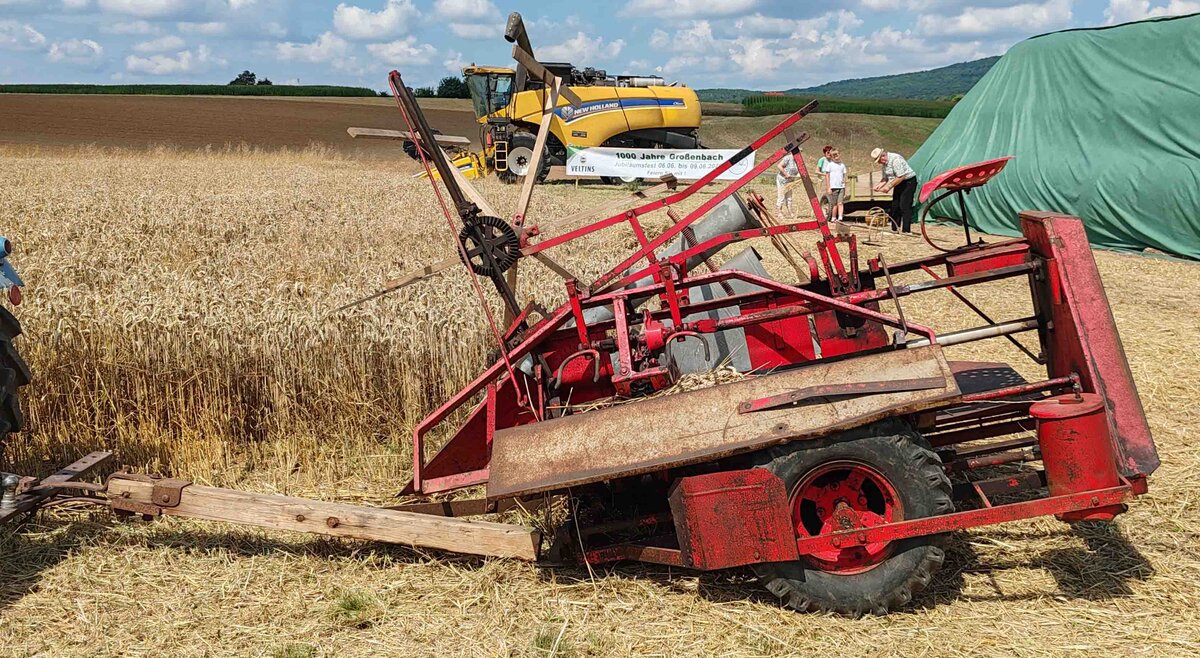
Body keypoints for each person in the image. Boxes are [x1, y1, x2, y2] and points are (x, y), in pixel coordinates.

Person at [871, 147, 918, 233]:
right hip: (898, 183)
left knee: (904, 205)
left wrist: (888, 187)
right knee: (895, 206)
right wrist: (879, 186)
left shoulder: (896, 159)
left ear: (883, 156)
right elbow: (885, 178)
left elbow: (901, 176)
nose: (879, 163)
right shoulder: (884, 165)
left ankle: (906, 230)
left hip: (908, 182)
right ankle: (895, 229)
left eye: (879, 160)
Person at [824, 148, 848, 223]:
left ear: (839, 155)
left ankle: (840, 217)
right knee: (834, 204)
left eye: (837, 154)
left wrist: (845, 187)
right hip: (833, 187)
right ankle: (833, 217)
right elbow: (827, 176)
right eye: (834, 155)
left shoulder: (842, 165)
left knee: (840, 203)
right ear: (831, 157)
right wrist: (828, 187)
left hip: (841, 187)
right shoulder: (830, 165)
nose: (836, 156)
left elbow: (844, 177)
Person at [775, 150, 800, 217]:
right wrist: (786, 174)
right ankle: (779, 212)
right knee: (781, 197)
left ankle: (790, 212)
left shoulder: (798, 161)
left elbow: (797, 171)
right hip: (782, 180)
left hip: (790, 182)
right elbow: (779, 166)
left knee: (789, 197)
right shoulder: (788, 158)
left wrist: (798, 175)